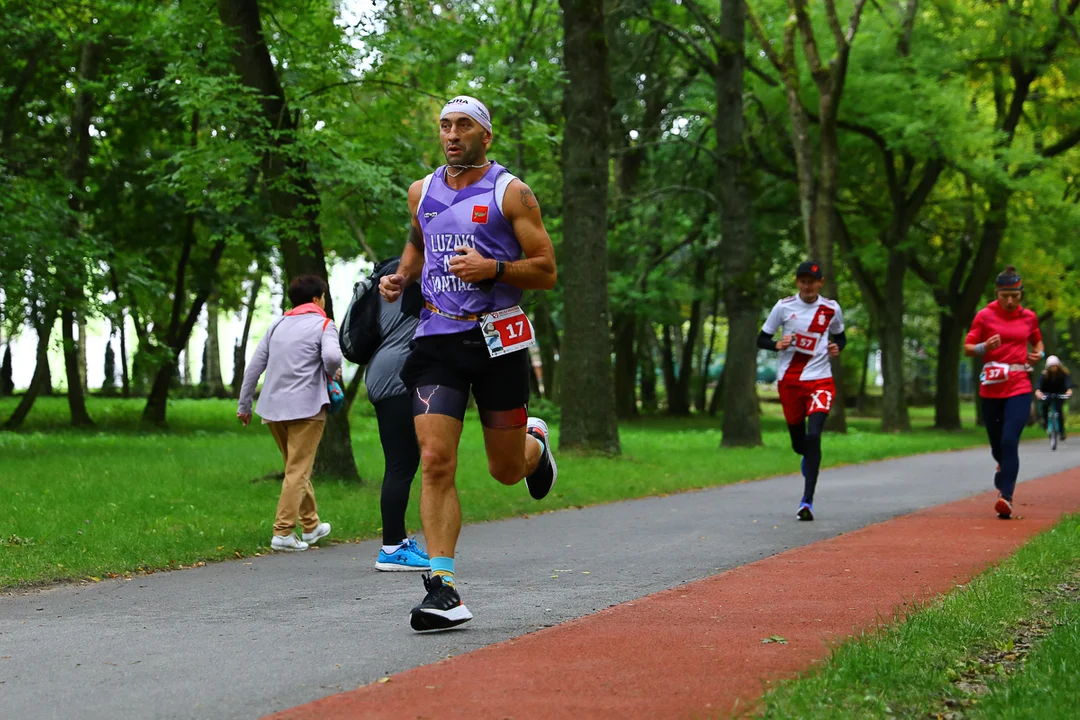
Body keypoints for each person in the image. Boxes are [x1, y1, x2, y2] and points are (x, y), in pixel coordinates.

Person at [379, 95, 558, 631]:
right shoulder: (422, 191)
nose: (451, 134)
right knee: (435, 460)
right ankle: (443, 587)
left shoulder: (512, 193)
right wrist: (401, 277)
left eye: (463, 126)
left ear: (486, 135)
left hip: (496, 338)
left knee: (505, 471)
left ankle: (536, 445)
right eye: (444, 126)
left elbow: (546, 270)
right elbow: (418, 242)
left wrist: (493, 267)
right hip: (437, 339)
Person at [238, 275, 341, 551]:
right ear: (318, 298)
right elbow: (332, 358)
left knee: (295, 467)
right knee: (298, 470)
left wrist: (244, 405)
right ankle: (282, 532)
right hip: (307, 408)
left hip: (273, 409)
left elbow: (254, 368)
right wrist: (331, 373)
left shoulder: (277, 325)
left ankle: (311, 525)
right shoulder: (324, 324)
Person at [758, 261, 846, 521]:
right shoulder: (783, 307)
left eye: (813, 281)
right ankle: (805, 456)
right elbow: (761, 338)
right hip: (790, 382)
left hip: (820, 380)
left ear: (821, 283)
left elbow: (840, 337)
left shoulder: (831, 308)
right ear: (797, 282)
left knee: (814, 434)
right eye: (803, 281)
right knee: (800, 444)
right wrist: (777, 344)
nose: (808, 286)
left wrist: (836, 347)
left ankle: (807, 501)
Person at [365, 260, 430, 571]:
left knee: (401, 462)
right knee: (401, 464)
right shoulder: (411, 283)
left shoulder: (386, 285)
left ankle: (396, 542)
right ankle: (392, 548)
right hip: (396, 377)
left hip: (382, 373)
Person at [964, 265, 1044, 519]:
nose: (1009, 301)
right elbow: (967, 347)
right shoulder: (984, 316)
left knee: (1010, 441)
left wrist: (1038, 354)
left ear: (1021, 293)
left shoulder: (1029, 317)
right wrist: (983, 346)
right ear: (997, 293)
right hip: (991, 388)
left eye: (1015, 296)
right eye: (1004, 295)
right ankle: (1002, 467)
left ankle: (1005, 497)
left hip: (1020, 384)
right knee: (998, 445)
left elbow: (1038, 340)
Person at [1036, 355, 1072, 440]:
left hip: (1059, 393)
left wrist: (1068, 390)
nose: (1053, 368)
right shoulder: (1044, 374)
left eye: (1055, 366)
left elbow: (1067, 382)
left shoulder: (1063, 373)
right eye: (1051, 366)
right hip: (1047, 393)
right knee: (1044, 407)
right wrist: (1038, 391)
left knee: (1059, 411)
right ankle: (1045, 423)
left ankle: (1061, 432)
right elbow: (1039, 383)